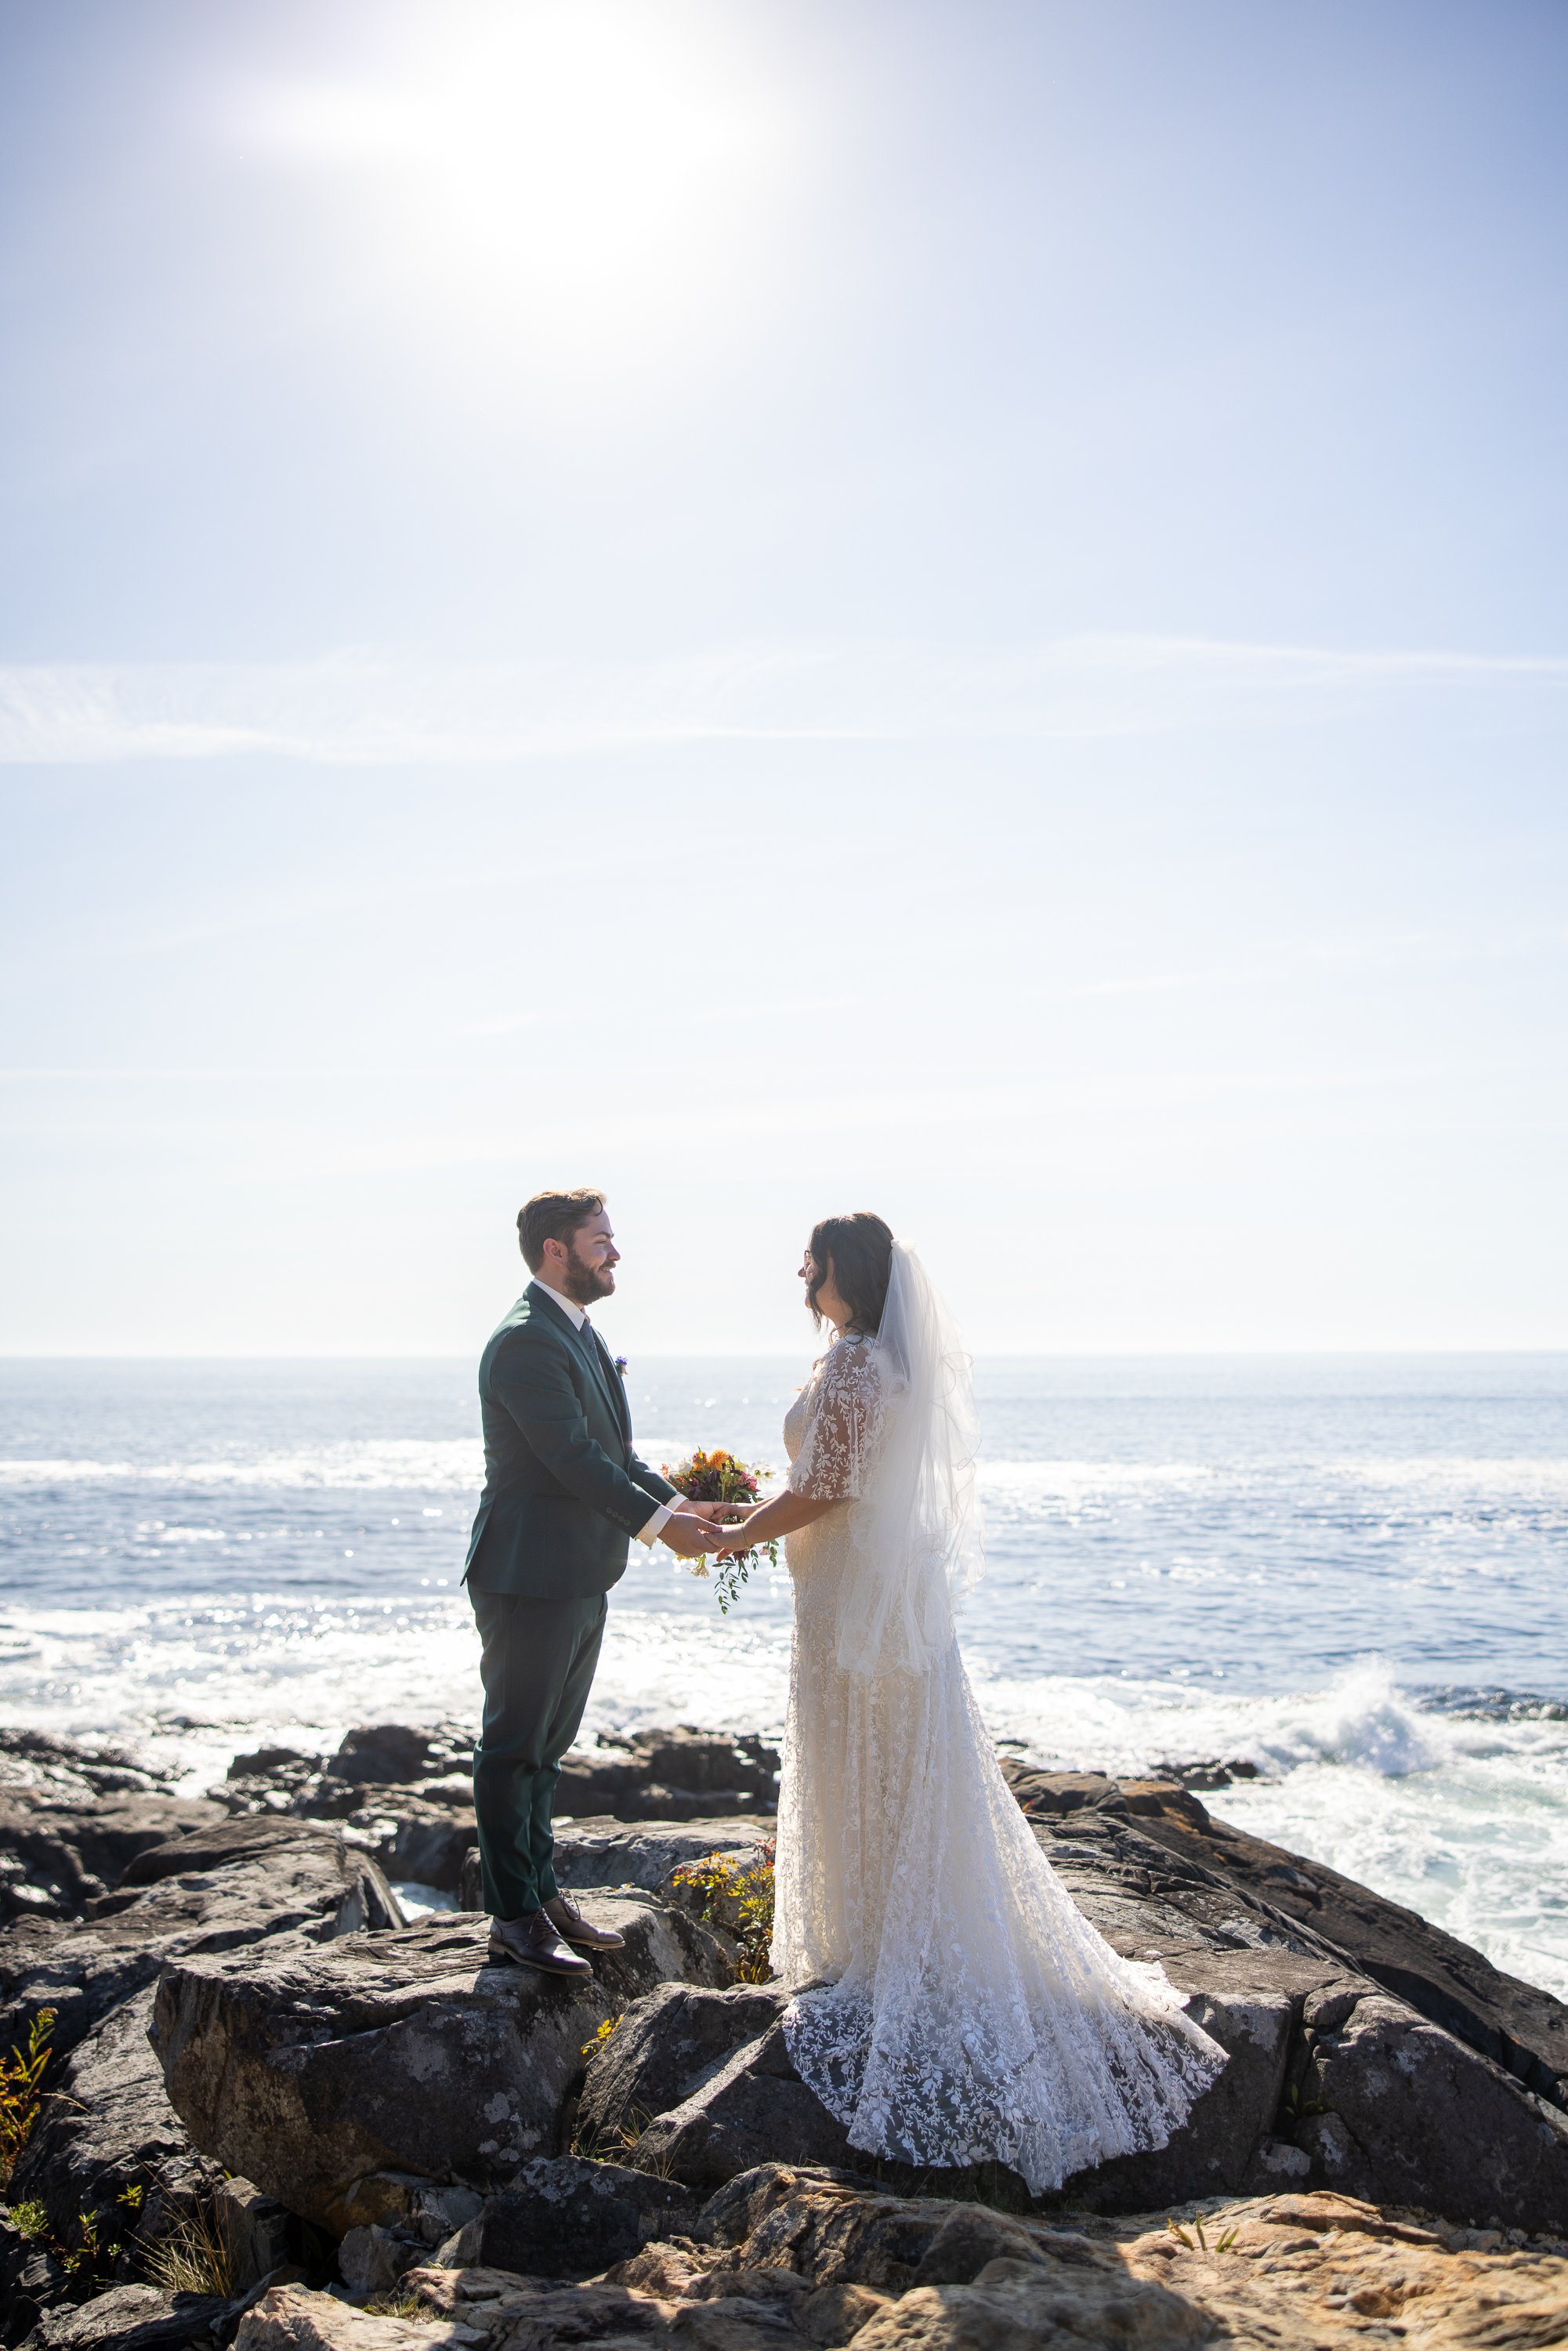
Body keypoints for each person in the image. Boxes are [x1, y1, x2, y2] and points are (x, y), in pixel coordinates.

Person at [702, 1212, 1226, 2192]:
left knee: (882, 1758)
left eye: (810, 1259)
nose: (798, 1272)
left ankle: (895, 1948)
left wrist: (734, 1536)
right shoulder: (855, 1360)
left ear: (842, 1273)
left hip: (860, 1606)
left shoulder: (859, 1368)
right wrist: (741, 1511)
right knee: (872, 1759)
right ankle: (874, 1933)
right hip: (844, 1599)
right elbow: (822, 1482)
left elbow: (829, 1488)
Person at [464, 1188, 726, 1976]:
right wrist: (661, 1528)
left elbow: (614, 1455)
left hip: (578, 1573)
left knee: (548, 1747)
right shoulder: (523, 1343)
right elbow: (571, 1463)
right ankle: (512, 1915)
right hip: (528, 1574)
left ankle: (541, 1894)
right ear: (557, 1249)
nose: (615, 1253)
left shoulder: (579, 1332)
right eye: (601, 1239)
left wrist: (686, 1502)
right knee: (514, 1747)